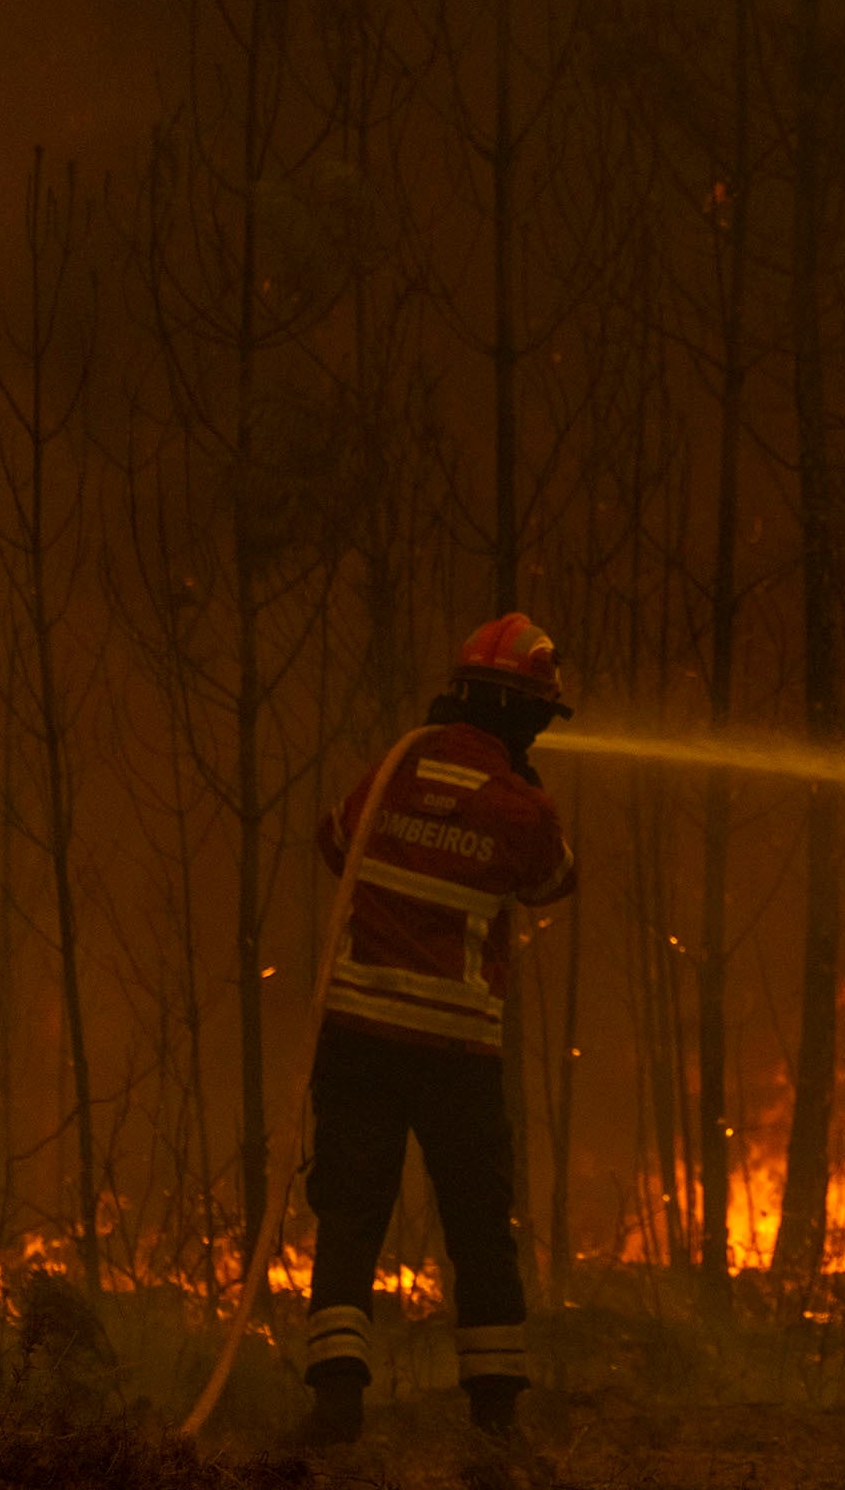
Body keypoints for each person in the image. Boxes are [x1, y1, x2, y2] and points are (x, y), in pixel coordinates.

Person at [298, 613, 577, 1447]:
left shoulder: (393, 769)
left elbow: (333, 842)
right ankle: (495, 1413)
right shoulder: (524, 810)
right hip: (456, 1053)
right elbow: (554, 884)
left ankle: (336, 1401)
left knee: (350, 1215)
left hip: (355, 1040)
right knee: (478, 1226)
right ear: (520, 716)